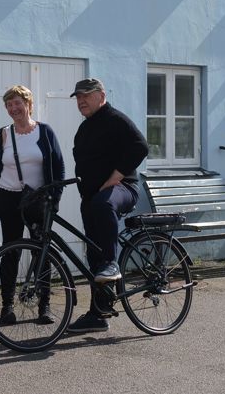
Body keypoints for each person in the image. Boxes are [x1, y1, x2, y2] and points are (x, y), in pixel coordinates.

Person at [67, 78, 149, 334]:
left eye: (86, 96)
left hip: (123, 189)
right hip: (92, 198)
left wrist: (116, 177)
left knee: (104, 207)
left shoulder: (115, 119)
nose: (81, 101)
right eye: (78, 97)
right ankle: (98, 313)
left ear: (101, 95)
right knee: (93, 255)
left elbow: (141, 146)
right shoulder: (84, 128)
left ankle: (112, 262)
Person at [0, 85, 65, 325]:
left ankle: (44, 306)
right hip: (9, 197)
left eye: (18, 103)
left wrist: (55, 197)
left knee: (41, 251)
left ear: (29, 104)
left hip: (38, 199)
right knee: (10, 251)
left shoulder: (45, 132)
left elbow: (58, 166)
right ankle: (7, 306)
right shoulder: (3, 134)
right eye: (9, 105)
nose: (13, 108)